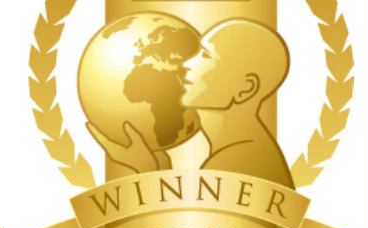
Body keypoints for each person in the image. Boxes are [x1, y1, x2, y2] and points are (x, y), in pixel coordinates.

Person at [87, 19, 294, 188]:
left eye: (205, 55)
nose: (185, 64)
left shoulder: (234, 162)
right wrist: (157, 168)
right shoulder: (242, 150)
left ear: (245, 89)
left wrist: (146, 172)